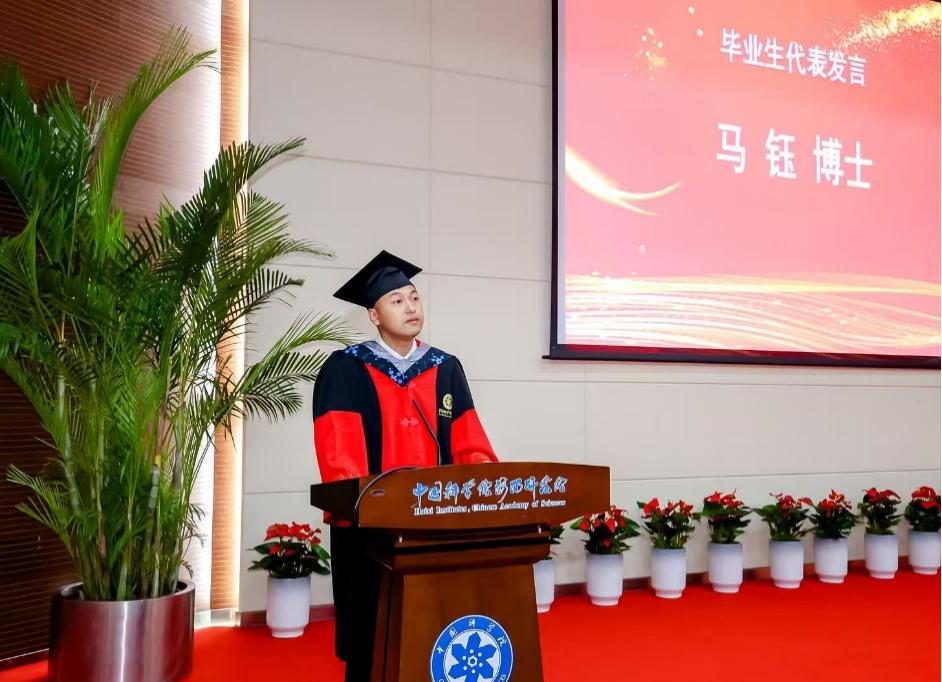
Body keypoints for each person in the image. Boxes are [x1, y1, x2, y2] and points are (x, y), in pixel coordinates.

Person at [312, 250, 497, 680]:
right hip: (372, 534)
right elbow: (340, 457)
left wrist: (488, 491)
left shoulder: (445, 368)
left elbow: (470, 442)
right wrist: (373, 506)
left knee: (436, 635)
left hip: (436, 527)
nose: (411, 307)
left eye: (414, 297)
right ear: (374, 315)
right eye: (396, 300)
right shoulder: (346, 369)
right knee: (373, 642)